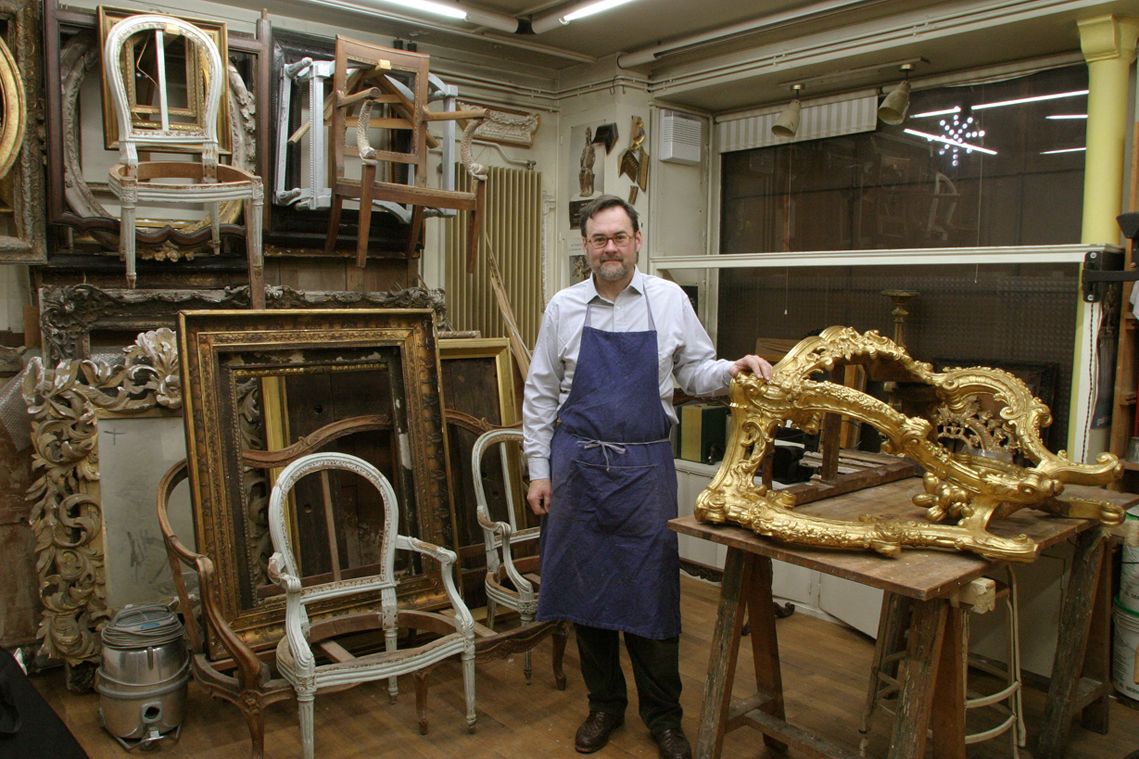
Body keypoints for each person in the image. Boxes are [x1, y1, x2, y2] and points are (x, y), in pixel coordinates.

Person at [522, 195, 772, 759]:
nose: (609, 248)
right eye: (598, 239)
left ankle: (664, 719)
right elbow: (539, 395)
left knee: (651, 597)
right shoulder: (563, 307)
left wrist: (732, 371)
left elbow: (695, 370)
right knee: (585, 595)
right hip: (578, 467)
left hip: (643, 468)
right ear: (585, 246)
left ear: (637, 240)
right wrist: (539, 471)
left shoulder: (668, 300)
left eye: (619, 237)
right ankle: (604, 706)